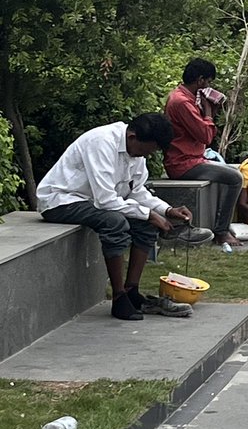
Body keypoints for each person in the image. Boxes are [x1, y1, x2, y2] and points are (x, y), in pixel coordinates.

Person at [36, 114, 205, 321]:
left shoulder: (137, 153)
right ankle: (119, 297)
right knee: (115, 223)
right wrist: (149, 214)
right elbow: (106, 200)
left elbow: (136, 191)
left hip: (90, 201)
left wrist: (167, 210)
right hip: (60, 201)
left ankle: (132, 291)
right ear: (133, 137)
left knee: (144, 225)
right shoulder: (101, 142)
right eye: (146, 150)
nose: (146, 156)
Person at [164, 58, 243, 248]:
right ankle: (221, 232)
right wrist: (208, 113)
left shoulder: (185, 98)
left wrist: (210, 112)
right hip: (184, 163)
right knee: (235, 178)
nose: (208, 86)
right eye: (208, 82)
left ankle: (223, 227)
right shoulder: (182, 102)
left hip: (193, 159)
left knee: (227, 172)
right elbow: (206, 135)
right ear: (200, 81)